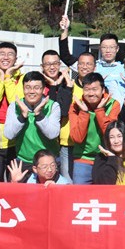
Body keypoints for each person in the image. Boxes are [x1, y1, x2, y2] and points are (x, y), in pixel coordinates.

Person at [3, 71, 61, 176]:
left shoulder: (53, 106)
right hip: (24, 161)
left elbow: (52, 134)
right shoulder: (15, 106)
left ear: (43, 89)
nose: (32, 91)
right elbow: (9, 134)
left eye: (36, 88)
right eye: (28, 87)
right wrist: (22, 116)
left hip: (48, 163)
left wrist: (39, 115)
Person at [69, 72, 121, 184]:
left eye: (95, 89)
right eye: (87, 89)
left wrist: (99, 111)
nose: (91, 93)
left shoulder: (113, 104)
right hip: (83, 159)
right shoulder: (76, 106)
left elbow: (110, 134)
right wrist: (84, 112)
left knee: (105, 193)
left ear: (103, 90)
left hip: (106, 157)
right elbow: (77, 138)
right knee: (80, 193)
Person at [0, 41, 24, 176]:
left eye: (10, 54)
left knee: (15, 179)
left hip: (16, 138)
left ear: (16, 58)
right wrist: (1, 78)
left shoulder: (22, 79)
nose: (6, 57)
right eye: (2, 54)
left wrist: (7, 77)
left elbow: (15, 102)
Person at [39, 49, 76, 179]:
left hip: (64, 139)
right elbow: (49, 111)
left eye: (55, 63)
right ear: (42, 66)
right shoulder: (37, 84)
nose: (52, 67)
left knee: (65, 177)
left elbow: (63, 111)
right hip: (43, 139)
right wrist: (53, 86)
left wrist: (58, 86)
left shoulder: (67, 82)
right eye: (48, 64)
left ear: (60, 65)